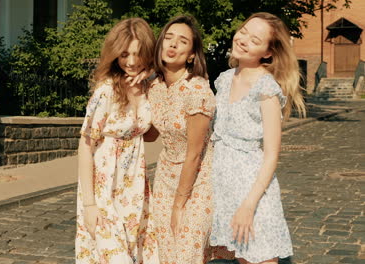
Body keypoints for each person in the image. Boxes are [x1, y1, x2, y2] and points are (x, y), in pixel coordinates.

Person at [209, 12, 306, 264]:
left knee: (260, 259)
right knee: (242, 259)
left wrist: (248, 206)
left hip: (252, 192)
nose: (243, 40)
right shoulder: (224, 79)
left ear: (267, 52)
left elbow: (272, 155)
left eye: (254, 40)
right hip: (224, 186)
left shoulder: (266, 87)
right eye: (243, 32)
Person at [145, 15, 234, 263]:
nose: (172, 45)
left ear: (192, 55)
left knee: (186, 253)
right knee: (166, 253)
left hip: (198, 181)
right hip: (165, 177)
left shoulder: (196, 90)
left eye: (182, 41)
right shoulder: (155, 87)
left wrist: (179, 204)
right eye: (168, 38)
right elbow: (151, 135)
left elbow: (194, 154)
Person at [75, 18, 159, 264]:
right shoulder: (107, 91)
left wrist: (152, 76)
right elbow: (85, 146)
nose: (131, 62)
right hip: (103, 189)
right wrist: (90, 205)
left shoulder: (146, 87)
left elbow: (151, 135)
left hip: (133, 187)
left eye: (138, 54)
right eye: (124, 54)